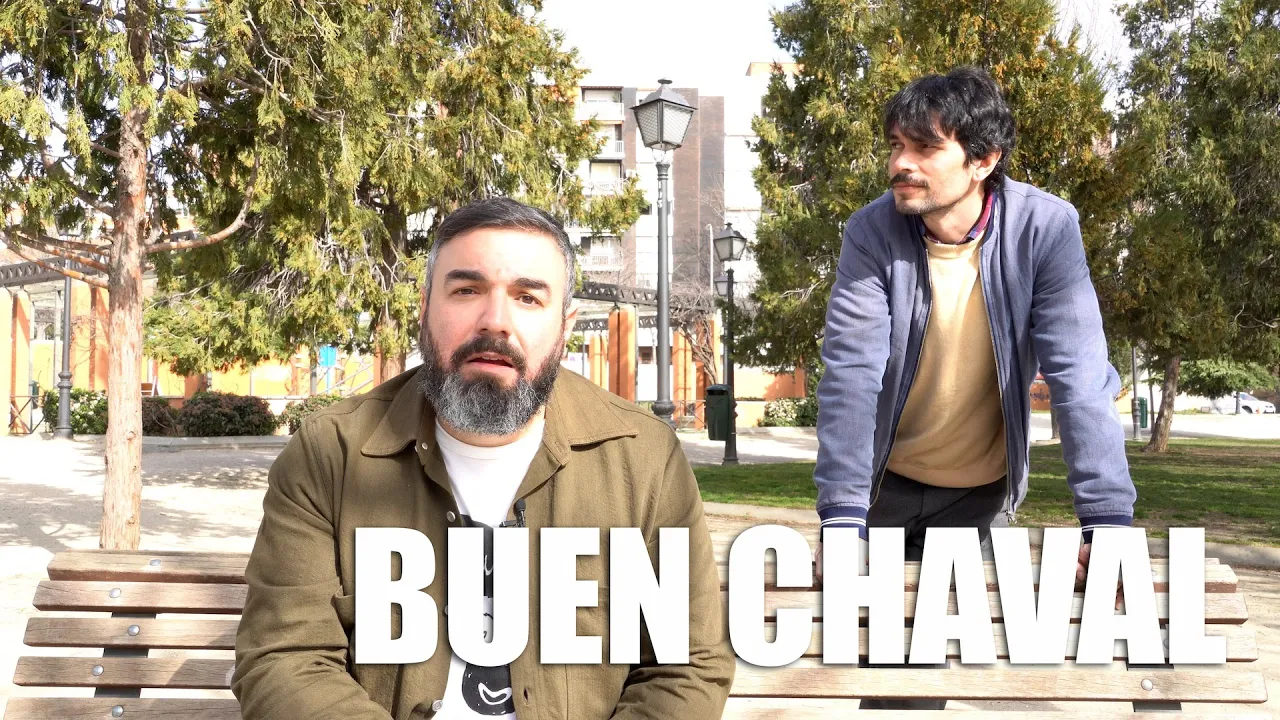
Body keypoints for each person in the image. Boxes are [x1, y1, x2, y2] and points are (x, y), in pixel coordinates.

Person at [233, 198, 734, 719]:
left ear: (565, 326)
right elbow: (285, 659)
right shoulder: (328, 454)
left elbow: (686, 667)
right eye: (467, 291)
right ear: (425, 308)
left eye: (528, 298)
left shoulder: (645, 459)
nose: (495, 322)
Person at [813, 67, 1137, 701]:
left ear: (984, 160)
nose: (900, 164)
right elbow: (851, 375)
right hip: (883, 490)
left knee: (935, 675)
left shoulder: (1046, 229)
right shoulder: (870, 233)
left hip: (977, 500)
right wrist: (842, 520)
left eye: (924, 147)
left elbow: (1078, 379)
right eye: (895, 145)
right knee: (884, 681)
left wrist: (1106, 524)